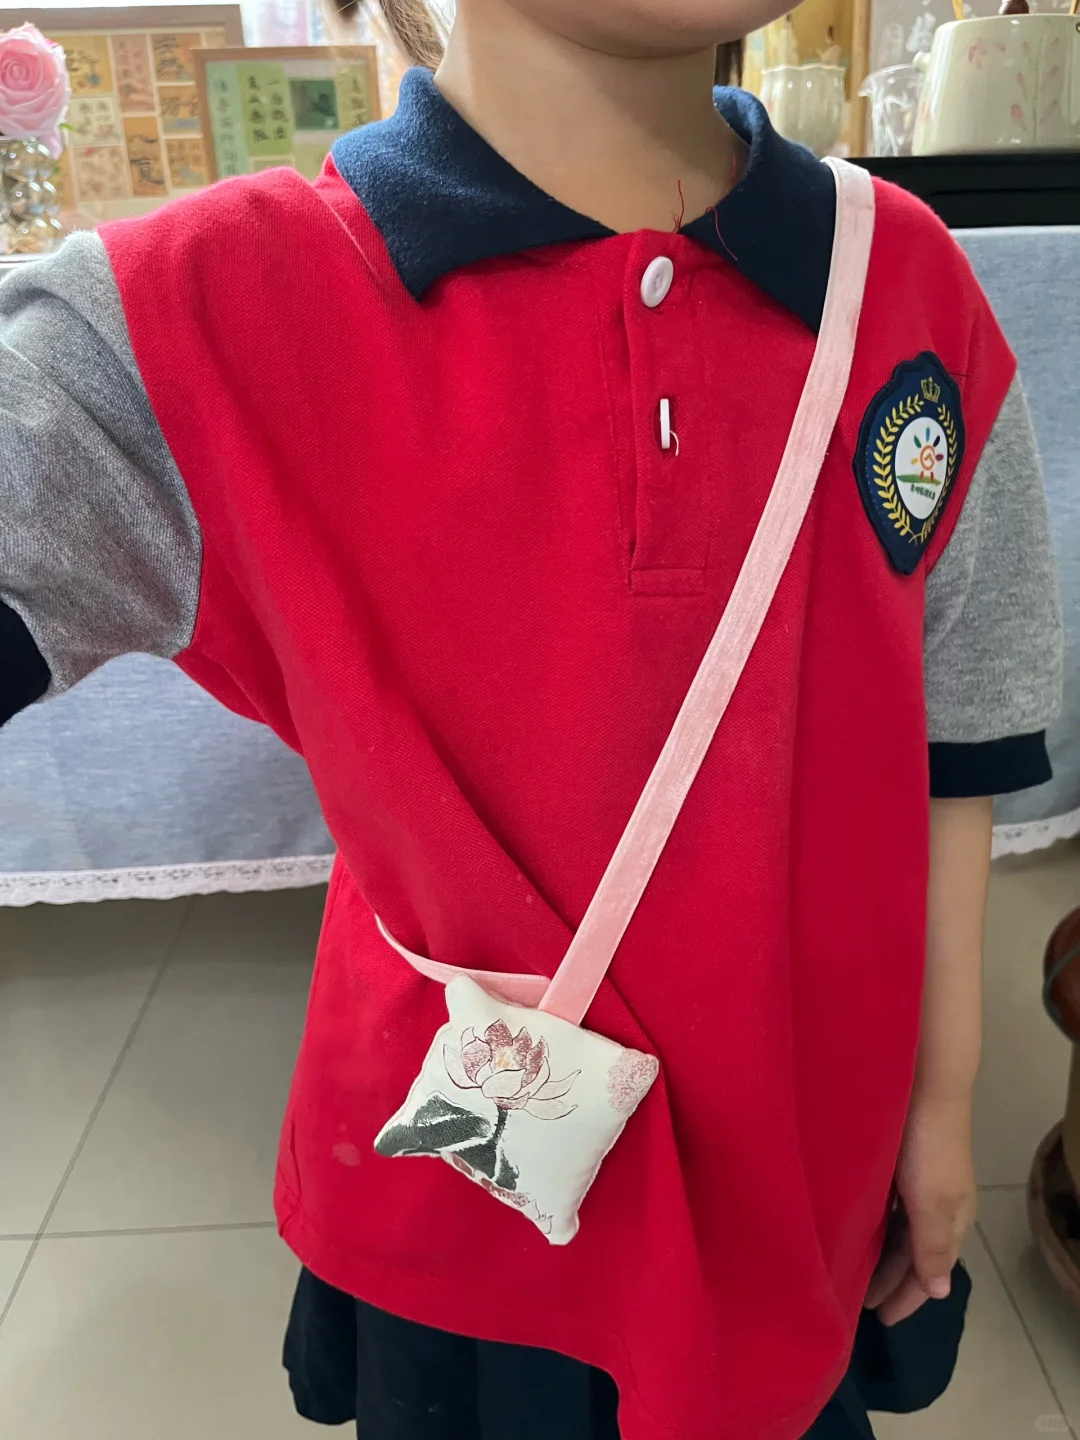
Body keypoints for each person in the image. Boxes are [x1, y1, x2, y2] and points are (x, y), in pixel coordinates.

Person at [0, 1, 1063, 1437]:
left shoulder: (908, 284)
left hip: (802, 1176)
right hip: (467, 1207)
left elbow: (962, 735)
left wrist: (942, 1112)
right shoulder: (196, 309)